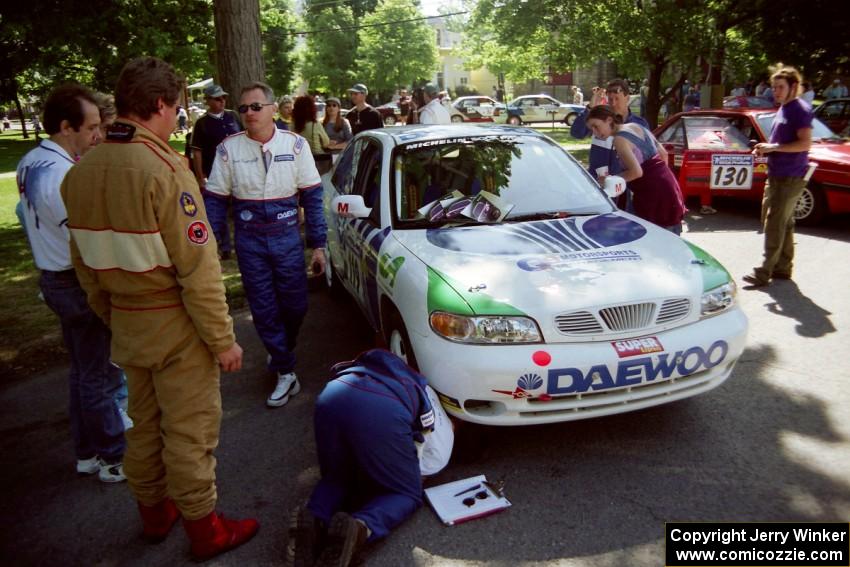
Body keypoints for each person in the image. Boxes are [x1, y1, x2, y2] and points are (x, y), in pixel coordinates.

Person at [61, 57, 257, 560]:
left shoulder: (80, 174)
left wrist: (113, 314)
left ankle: (154, 514)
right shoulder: (164, 169)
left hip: (127, 322)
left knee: (144, 426)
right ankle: (205, 528)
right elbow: (199, 270)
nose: (178, 120)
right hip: (175, 324)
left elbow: (84, 268)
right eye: (175, 109)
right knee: (189, 432)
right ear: (158, 106)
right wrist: (222, 339)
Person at [16, 83, 127, 484]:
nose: (98, 135)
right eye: (92, 127)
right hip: (73, 280)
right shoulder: (61, 176)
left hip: (56, 278)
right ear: (67, 127)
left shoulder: (31, 161)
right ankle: (113, 456)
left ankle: (87, 453)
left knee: (83, 371)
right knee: (96, 372)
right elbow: (85, 240)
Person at [205, 81, 326, 408]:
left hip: (287, 236)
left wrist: (318, 245)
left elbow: (313, 197)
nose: (248, 113)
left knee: (296, 305)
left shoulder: (296, 145)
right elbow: (215, 200)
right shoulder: (228, 148)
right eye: (242, 108)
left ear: (274, 109)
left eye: (256, 106)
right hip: (250, 239)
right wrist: (218, 244)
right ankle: (286, 370)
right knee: (263, 307)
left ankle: (280, 352)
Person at [287, 349, 453, 567]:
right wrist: (403, 476)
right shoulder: (426, 394)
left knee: (336, 478)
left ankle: (314, 516)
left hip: (332, 395)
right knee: (406, 493)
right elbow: (429, 459)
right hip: (382, 409)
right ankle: (361, 527)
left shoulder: (374, 363)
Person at [743, 66, 813, 288]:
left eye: (780, 87)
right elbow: (781, 143)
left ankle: (764, 272)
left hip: (790, 175)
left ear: (794, 86)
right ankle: (783, 267)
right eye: (774, 87)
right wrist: (765, 149)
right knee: (785, 222)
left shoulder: (799, 109)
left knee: (774, 222)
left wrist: (772, 148)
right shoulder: (784, 108)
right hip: (778, 173)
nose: (776, 91)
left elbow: (805, 143)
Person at [587, 105, 687, 234]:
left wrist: (609, 180)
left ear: (609, 120)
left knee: (652, 242)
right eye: (591, 129)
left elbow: (636, 172)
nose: (595, 132)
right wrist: (661, 179)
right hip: (670, 187)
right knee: (671, 240)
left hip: (653, 196)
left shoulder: (619, 140)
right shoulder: (636, 126)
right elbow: (663, 154)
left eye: (596, 126)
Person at [190, 83, 243, 261]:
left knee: (241, 208)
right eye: (217, 98)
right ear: (208, 101)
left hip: (238, 171)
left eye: (223, 98)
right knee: (217, 212)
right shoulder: (202, 124)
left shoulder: (233, 116)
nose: (222, 101)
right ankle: (224, 247)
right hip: (214, 173)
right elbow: (197, 151)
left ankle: (243, 245)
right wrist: (200, 176)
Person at [571, 79, 649, 182]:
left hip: (625, 185)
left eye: (617, 99)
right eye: (610, 99)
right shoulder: (600, 119)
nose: (613, 103)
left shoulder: (638, 124)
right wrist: (590, 107)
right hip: (599, 183)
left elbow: (647, 157)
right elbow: (577, 133)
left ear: (627, 98)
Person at [293, 94, 338, 175]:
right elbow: (326, 143)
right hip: (317, 162)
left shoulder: (291, 126)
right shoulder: (315, 124)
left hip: (298, 162)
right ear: (312, 109)